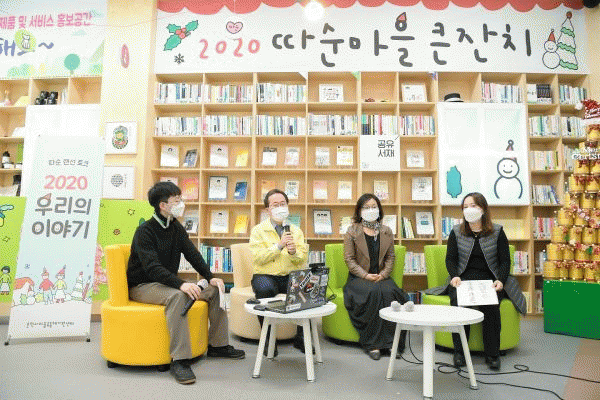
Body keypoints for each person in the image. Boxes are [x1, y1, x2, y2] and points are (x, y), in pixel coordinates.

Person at [127, 182, 245, 385]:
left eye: (180, 199)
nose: (181, 204)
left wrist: (209, 276)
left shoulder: (175, 227)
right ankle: (180, 360)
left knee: (215, 289)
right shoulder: (145, 231)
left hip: (165, 283)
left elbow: (192, 254)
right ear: (163, 205)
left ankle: (218, 345)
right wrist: (180, 284)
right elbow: (152, 268)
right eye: (177, 200)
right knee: (179, 295)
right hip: (143, 286)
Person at [427, 192, 526, 370]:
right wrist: (454, 276)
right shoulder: (456, 231)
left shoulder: (497, 231)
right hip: (463, 279)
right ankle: (460, 352)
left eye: (473, 206)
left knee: (491, 306)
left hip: (490, 280)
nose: (468, 210)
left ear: (483, 209)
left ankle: (492, 354)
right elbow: (450, 259)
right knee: (458, 304)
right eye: (465, 207)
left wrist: (500, 280)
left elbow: (505, 261)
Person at [343, 194, 409, 360]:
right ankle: (373, 344)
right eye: (366, 207)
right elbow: (349, 260)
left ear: (379, 209)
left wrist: (383, 274)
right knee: (373, 293)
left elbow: (391, 257)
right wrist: (365, 275)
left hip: (381, 277)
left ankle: (392, 343)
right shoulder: (352, 231)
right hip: (359, 278)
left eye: (374, 207)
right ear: (359, 210)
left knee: (391, 293)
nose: (370, 210)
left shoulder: (386, 231)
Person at [249, 189, 309, 356]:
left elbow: (302, 259)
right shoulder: (258, 230)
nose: (280, 208)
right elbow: (258, 258)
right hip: (265, 275)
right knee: (264, 289)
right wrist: (279, 246)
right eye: (275, 205)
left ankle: (301, 337)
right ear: (267, 209)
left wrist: (293, 252)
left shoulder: (296, 230)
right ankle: (269, 339)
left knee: (306, 287)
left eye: (283, 204)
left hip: (290, 274)